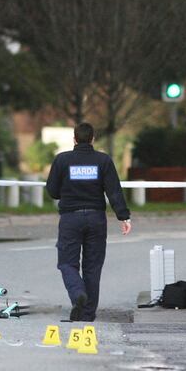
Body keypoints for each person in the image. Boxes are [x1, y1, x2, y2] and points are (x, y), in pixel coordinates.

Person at [45, 122, 131, 322]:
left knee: (67, 263)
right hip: (96, 219)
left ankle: (77, 295)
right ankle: (87, 314)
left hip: (70, 219)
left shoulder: (62, 160)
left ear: (74, 139)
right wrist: (123, 216)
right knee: (93, 267)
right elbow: (114, 191)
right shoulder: (103, 161)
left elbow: (52, 190)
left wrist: (66, 191)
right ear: (93, 139)